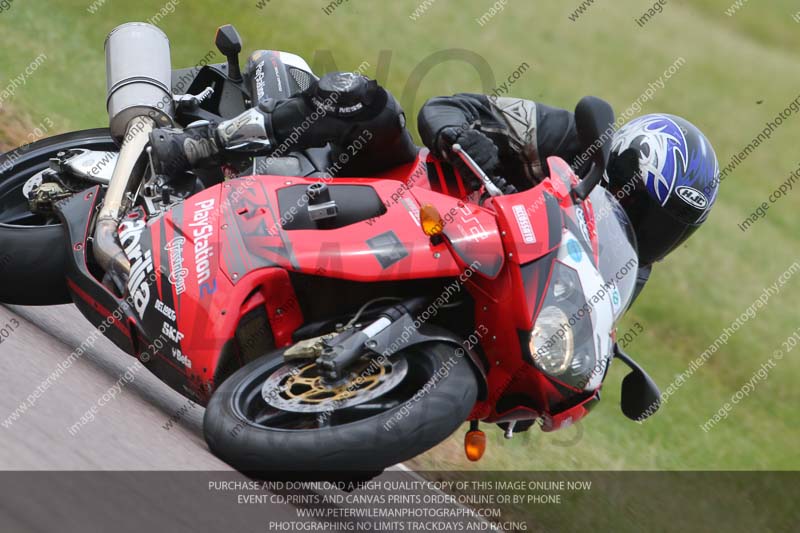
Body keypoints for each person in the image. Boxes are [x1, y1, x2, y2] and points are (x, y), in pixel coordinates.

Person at [149, 72, 720, 298]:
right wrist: (461, 137)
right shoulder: (565, 135)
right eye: (638, 206)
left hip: (460, 275)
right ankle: (202, 145)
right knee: (367, 100)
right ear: (613, 166)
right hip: (408, 191)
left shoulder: (626, 272)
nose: (645, 231)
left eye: (665, 228)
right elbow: (448, 105)